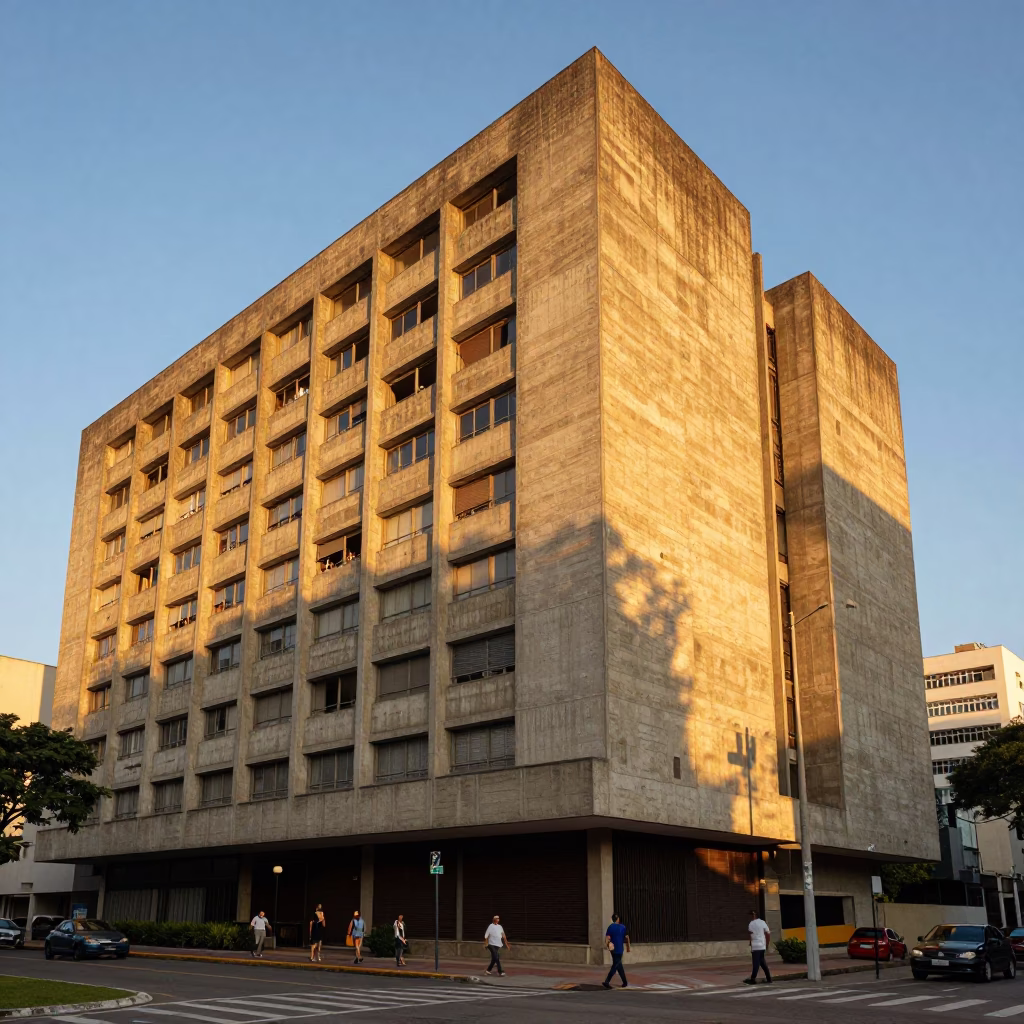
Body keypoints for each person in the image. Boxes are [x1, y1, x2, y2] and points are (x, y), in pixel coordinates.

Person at [602, 913, 630, 989]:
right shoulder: (623, 927)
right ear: (618, 919)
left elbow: (607, 939)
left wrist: (608, 946)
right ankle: (607, 981)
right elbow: (627, 938)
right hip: (620, 949)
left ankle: (624, 982)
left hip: (613, 949)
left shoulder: (610, 927)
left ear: (612, 919)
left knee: (618, 965)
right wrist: (628, 947)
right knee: (616, 965)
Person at [744, 909, 772, 984]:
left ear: (753, 915)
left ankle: (753, 979)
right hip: (762, 945)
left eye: (751, 915)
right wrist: (767, 944)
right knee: (762, 962)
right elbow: (768, 933)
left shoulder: (751, 924)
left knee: (756, 963)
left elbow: (750, 934)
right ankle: (769, 978)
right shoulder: (763, 922)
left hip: (755, 946)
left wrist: (750, 943)